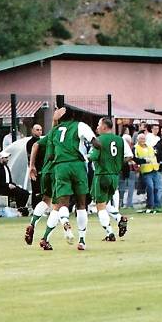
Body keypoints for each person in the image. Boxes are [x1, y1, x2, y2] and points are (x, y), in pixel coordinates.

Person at [39, 107, 100, 251]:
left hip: (60, 167)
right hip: (77, 166)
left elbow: (50, 155)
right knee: (81, 204)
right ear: (73, 116)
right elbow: (94, 142)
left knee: (61, 204)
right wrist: (99, 149)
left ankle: (65, 222)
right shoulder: (80, 125)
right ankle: (82, 240)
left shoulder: (55, 130)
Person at [25, 110, 74, 246]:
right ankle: (50, 235)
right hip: (60, 171)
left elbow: (36, 145)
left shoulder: (52, 134)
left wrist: (32, 166)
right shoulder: (71, 134)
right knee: (61, 204)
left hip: (46, 171)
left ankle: (32, 224)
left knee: (46, 200)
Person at [88, 117, 128, 241]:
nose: (97, 127)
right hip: (115, 176)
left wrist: (84, 156)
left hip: (102, 175)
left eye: (99, 125)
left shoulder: (99, 140)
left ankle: (109, 233)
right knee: (104, 203)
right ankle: (119, 218)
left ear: (104, 127)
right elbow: (128, 156)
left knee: (100, 206)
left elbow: (93, 156)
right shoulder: (120, 140)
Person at [135, 134, 162, 213]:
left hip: (154, 169)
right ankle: (150, 204)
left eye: (144, 138)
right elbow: (136, 158)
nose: (143, 140)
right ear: (138, 140)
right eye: (141, 139)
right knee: (150, 187)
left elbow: (155, 155)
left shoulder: (150, 147)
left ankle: (156, 204)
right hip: (146, 170)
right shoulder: (136, 148)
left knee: (156, 187)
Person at [26, 124, 44, 206]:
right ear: (32, 131)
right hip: (35, 169)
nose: (39, 131)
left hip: (43, 168)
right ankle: (35, 207)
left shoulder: (43, 142)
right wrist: (32, 168)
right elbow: (31, 157)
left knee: (42, 189)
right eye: (37, 129)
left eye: (40, 130)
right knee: (36, 189)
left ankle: (42, 207)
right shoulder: (30, 143)